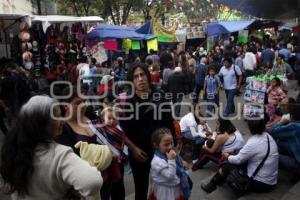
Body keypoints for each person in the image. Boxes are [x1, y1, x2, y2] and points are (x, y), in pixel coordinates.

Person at [0, 95, 102, 199]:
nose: (62, 120)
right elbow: (93, 182)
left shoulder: (12, 150)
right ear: (43, 123)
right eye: (57, 117)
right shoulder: (60, 155)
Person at [119, 63, 176, 200]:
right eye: (136, 76)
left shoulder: (160, 95)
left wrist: (172, 147)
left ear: (148, 76)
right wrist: (133, 149)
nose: (140, 79)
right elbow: (121, 129)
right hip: (139, 152)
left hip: (160, 150)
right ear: (131, 80)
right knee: (141, 188)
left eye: (142, 74)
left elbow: (169, 122)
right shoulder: (125, 101)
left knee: (164, 185)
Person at [202, 119, 278, 194]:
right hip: (271, 180)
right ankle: (218, 180)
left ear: (249, 128)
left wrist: (227, 156)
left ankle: (211, 185)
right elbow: (248, 152)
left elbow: (238, 160)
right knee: (235, 156)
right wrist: (234, 152)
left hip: (261, 183)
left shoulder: (253, 142)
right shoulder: (268, 136)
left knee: (227, 165)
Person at [148, 128, 192, 200]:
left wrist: (182, 162)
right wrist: (171, 160)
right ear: (156, 145)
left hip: (175, 187)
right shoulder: (157, 162)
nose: (170, 147)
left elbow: (177, 159)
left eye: (171, 143)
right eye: (166, 144)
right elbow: (170, 175)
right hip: (166, 192)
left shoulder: (168, 153)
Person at [269, 103, 300, 179]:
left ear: (292, 116)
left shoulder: (294, 127)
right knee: (279, 142)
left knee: (272, 155)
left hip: (298, 163)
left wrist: (281, 122)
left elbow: (272, 131)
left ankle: (295, 172)